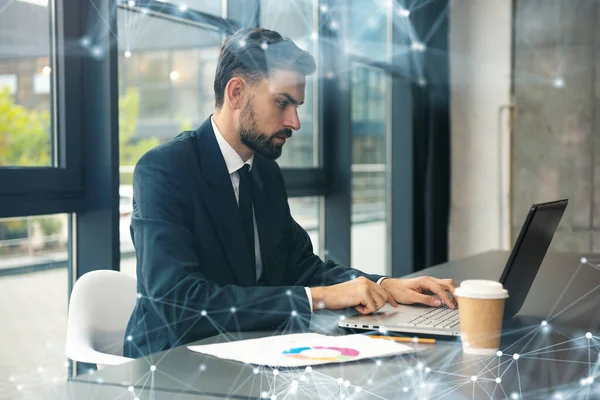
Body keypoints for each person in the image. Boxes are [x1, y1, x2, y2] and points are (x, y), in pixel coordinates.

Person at [123, 28, 456, 358]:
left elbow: (302, 267)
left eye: (296, 106)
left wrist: (384, 284)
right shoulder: (164, 169)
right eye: (282, 103)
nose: (295, 122)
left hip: (248, 350)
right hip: (171, 363)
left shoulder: (264, 171)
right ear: (236, 93)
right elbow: (179, 305)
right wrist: (318, 298)